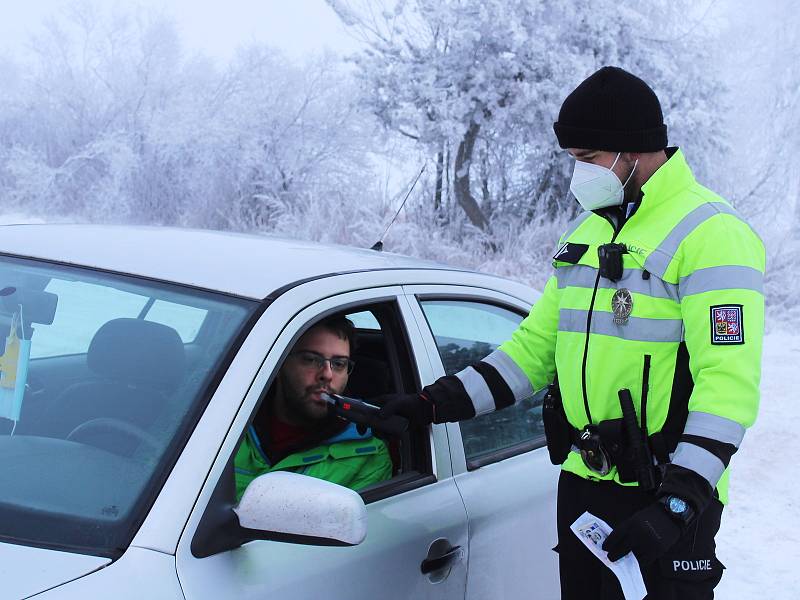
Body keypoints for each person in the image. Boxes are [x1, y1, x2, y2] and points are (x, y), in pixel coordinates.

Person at [375, 66, 764, 599]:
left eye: (587, 159)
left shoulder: (713, 235)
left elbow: (728, 386)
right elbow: (532, 352)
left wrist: (680, 501)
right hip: (584, 488)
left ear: (631, 150)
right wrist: (431, 404)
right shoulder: (587, 233)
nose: (578, 173)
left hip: (664, 496)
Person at [234, 316, 393, 501]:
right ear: (278, 363)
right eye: (311, 359)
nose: (327, 374)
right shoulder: (227, 420)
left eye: (339, 364)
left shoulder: (368, 456)